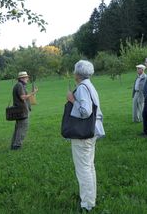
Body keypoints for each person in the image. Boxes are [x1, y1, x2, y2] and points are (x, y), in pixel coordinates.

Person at [66, 60, 105, 211]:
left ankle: (87, 204)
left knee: (83, 168)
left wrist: (72, 100)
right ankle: (90, 199)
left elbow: (86, 111)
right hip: (92, 130)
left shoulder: (82, 87)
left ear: (77, 74)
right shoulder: (89, 84)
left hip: (84, 133)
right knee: (89, 166)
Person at [10, 71, 38, 150]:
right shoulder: (20, 85)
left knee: (18, 128)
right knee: (22, 128)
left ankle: (14, 145)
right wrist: (33, 93)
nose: (27, 79)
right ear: (21, 78)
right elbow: (23, 97)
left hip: (20, 110)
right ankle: (17, 146)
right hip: (22, 111)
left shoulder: (19, 85)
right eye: (26, 77)